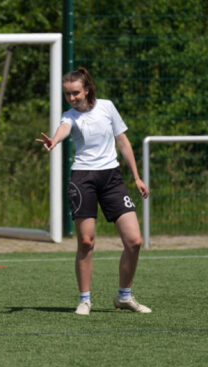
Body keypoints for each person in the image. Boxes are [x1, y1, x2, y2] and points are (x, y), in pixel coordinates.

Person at [36, 67, 151, 316]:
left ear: (87, 89)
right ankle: (85, 300)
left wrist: (136, 177)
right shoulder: (69, 116)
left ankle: (124, 296)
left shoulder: (107, 107)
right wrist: (54, 141)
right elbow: (64, 128)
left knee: (134, 241)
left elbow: (122, 141)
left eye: (75, 93)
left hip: (112, 178)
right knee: (86, 242)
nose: (72, 98)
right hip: (83, 179)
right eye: (67, 94)